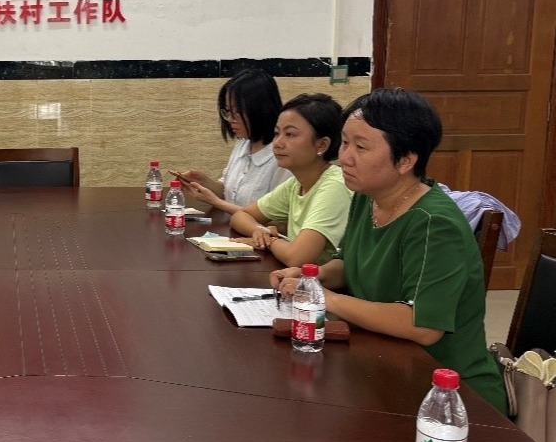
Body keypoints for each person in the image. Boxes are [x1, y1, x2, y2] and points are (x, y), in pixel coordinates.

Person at [271, 89, 508, 413]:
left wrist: (326, 299)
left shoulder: (433, 223)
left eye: (361, 147)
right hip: (383, 365)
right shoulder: (367, 196)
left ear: (406, 160)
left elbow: (422, 325)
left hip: (447, 395)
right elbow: (350, 262)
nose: (345, 157)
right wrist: (315, 277)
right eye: (345, 143)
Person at [229, 93, 352, 267]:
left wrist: (270, 241)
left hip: (324, 282)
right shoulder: (296, 183)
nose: (277, 143)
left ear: (322, 145)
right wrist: (260, 231)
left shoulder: (335, 186)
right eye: (276, 133)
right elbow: (241, 216)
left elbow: (298, 258)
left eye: (290, 134)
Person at [180, 68, 289, 214]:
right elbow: (228, 192)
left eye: (237, 112)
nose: (230, 119)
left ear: (260, 109)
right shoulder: (244, 142)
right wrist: (205, 182)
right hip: (231, 226)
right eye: (227, 111)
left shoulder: (282, 155)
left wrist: (215, 202)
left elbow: (273, 218)